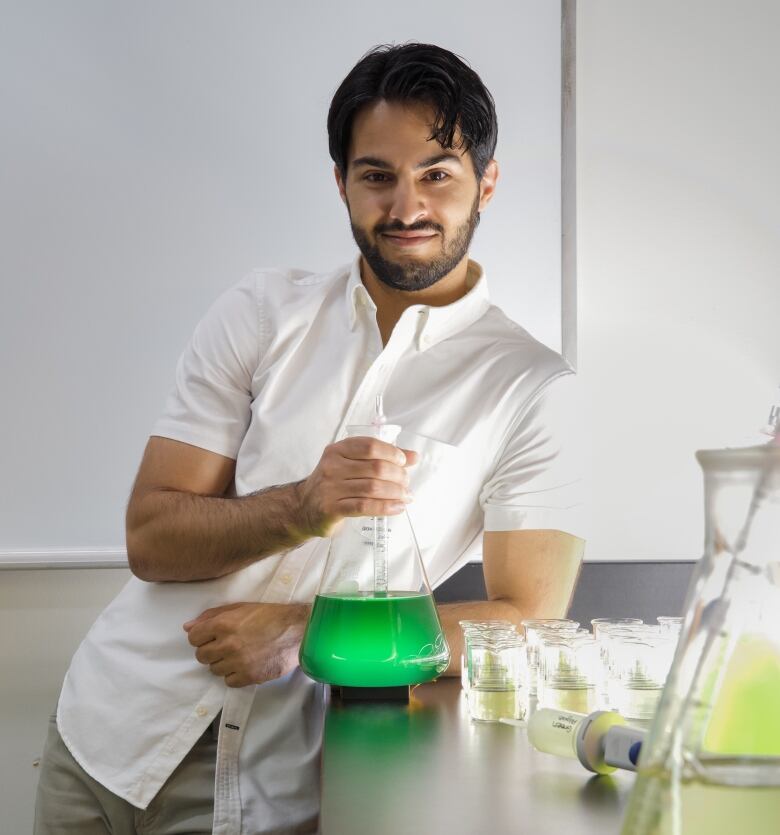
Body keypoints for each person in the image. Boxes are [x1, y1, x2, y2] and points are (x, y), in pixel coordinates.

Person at [34, 42, 584, 834]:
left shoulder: (533, 386)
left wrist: (305, 629)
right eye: (376, 176)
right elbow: (151, 537)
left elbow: (529, 618)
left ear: (485, 183)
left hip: (275, 779)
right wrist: (302, 505)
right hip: (103, 731)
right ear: (341, 183)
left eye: (437, 173)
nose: (406, 208)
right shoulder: (261, 312)